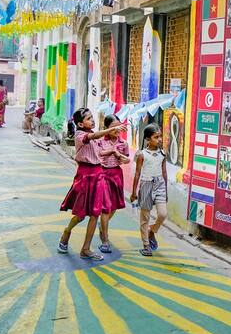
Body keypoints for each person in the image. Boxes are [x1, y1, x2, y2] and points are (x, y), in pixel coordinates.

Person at [57, 108, 124, 261]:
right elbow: (93, 135)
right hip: (85, 177)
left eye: (92, 117)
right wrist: (112, 128)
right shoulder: (81, 135)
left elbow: (99, 153)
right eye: (89, 118)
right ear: (80, 123)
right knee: (80, 215)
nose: (92, 120)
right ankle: (67, 232)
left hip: (97, 175)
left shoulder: (94, 137)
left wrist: (116, 154)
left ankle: (86, 248)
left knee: (95, 214)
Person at [130, 123, 168, 256]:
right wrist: (134, 192)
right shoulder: (142, 154)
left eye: (160, 137)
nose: (159, 139)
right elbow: (137, 174)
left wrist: (166, 190)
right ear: (147, 139)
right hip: (146, 185)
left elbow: (164, 172)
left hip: (160, 185)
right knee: (145, 217)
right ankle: (146, 245)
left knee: (163, 214)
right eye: (156, 137)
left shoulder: (163, 153)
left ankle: (152, 231)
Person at [97, 115, 130, 253]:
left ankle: (102, 224)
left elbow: (127, 159)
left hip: (117, 175)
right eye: (113, 127)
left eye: (119, 126)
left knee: (114, 206)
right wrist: (112, 152)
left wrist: (124, 159)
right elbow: (99, 154)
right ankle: (105, 240)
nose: (117, 130)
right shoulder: (100, 141)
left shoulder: (123, 143)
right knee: (105, 207)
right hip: (103, 174)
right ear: (106, 128)